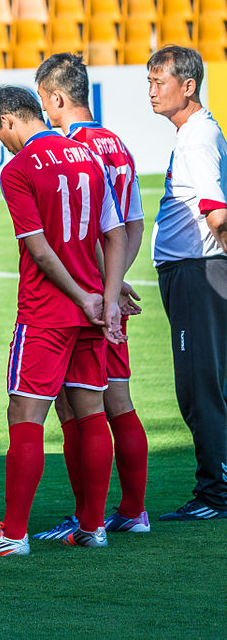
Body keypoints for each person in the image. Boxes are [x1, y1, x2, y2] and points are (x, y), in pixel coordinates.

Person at [0, 85, 126, 558]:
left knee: (24, 415)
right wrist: (105, 301)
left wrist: (84, 298)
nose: (1, 144)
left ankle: (13, 533)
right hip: (91, 306)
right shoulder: (87, 157)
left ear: (9, 121)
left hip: (46, 311)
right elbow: (112, 236)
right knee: (91, 413)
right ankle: (93, 526)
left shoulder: (19, 169)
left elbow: (40, 249)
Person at [32, 54, 151, 539]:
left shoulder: (70, 149)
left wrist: (104, 290)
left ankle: (89, 518)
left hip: (86, 300)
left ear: (57, 99)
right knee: (118, 401)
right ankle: (133, 511)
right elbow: (133, 225)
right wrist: (118, 282)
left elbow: (92, 232)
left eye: (44, 102)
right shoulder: (117, 143)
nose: (44, 112)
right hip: (108, 291)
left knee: (76, 408)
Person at [146, 45, 227, 521]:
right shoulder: (197, 132)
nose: (152, 92)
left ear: (188, 86)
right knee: (209, 384)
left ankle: (215, 493)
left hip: (198, 272)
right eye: (149, 83)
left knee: (199, 389)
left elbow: (216, 212)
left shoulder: (196, 139)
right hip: (197, 271)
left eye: (160, 82)